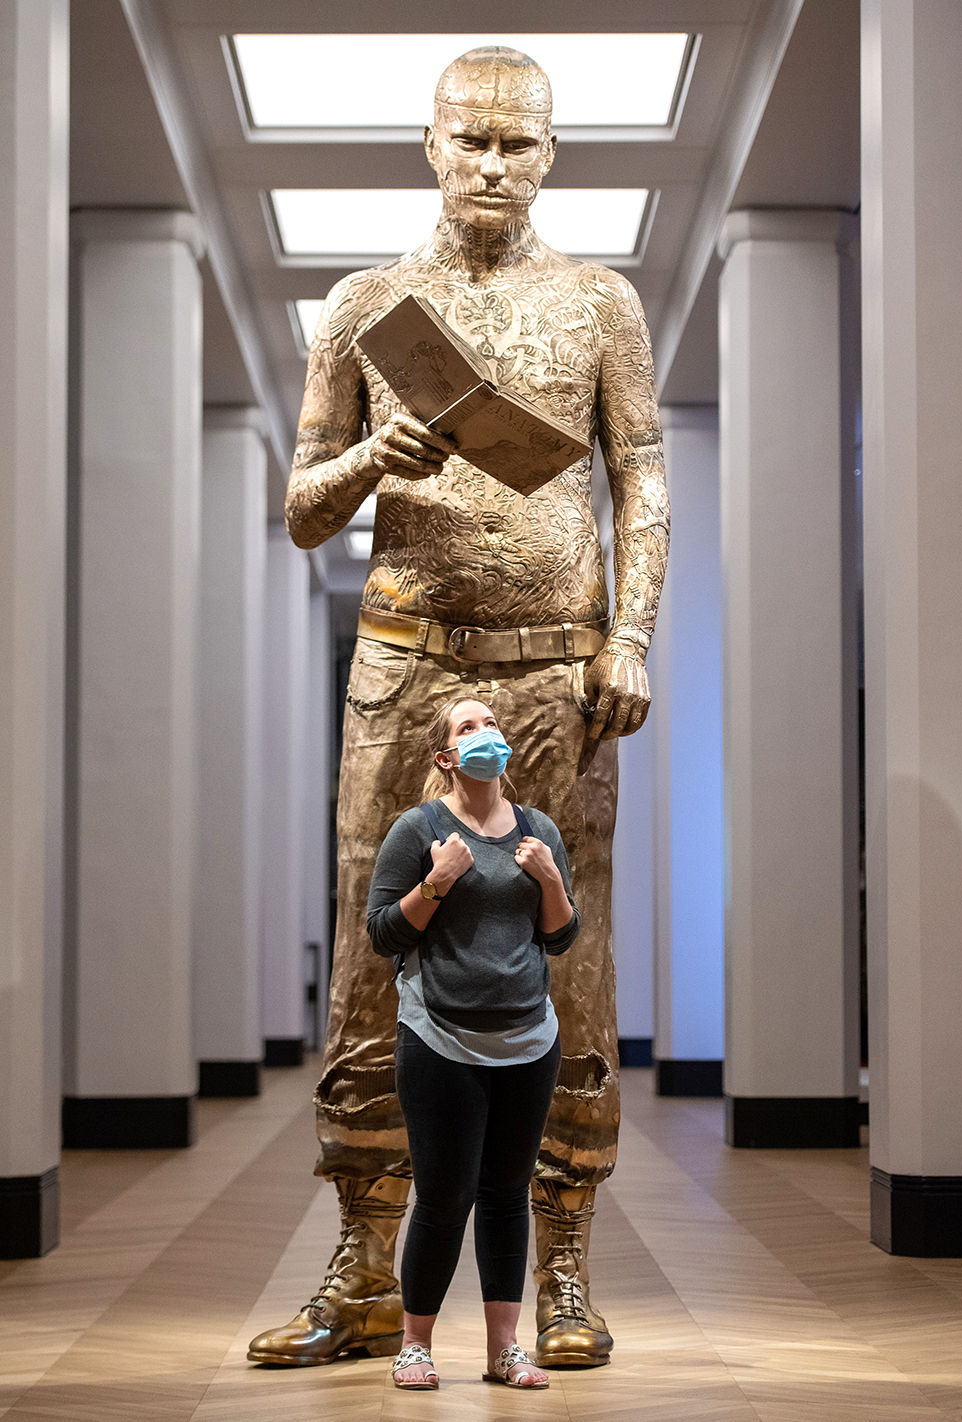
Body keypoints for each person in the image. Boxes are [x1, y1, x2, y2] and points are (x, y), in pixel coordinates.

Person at [247, 43, 668, 1372]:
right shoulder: (367, 304)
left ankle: (562, 1267)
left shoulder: (599, 302)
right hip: (404, 663)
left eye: (516, 142)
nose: (492, 164)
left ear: (552, 153)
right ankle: (364, 1264)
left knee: (563, 945)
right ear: (428, 144)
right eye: (470, 139)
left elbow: (640, 474)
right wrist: (375, 457)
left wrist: (630, 636)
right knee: (377, 937)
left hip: (554, 670)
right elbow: (302, 507)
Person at [374, 695, 579, 1388]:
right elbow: (382, 932)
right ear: (445, 756)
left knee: (506, 1193)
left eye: (491, 724)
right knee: (443, 1195)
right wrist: (437, 881)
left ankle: (505, 1349)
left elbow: (560, 935)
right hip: (439, 1038)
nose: (486, 733)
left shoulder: (538, 830)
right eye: (469, 727)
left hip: (529, 1039)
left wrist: (549, 877)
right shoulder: (419, 828)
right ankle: (415, 1345)